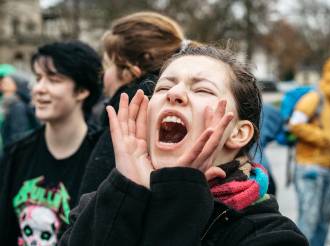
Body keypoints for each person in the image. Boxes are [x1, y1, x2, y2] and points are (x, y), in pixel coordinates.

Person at [60, 45, 308, 245]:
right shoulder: (96, 205)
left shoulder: (271, 235)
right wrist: (125, 191)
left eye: (202, 90)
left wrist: (178, 198)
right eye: (164, 86)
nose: (174, 93)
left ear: (239, 133)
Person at [0, 41, 102, 246]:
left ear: (82, 90)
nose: (39, 88)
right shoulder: (16, 154)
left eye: (53, 80)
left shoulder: (102, 158)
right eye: (38, 78)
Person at [78, 11, 191, 194]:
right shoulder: (180, 116)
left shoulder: (126, 128)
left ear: (131, 71)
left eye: (107, 66)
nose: (103, 76)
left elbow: (91, 211)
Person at [289, 57, 330, 246]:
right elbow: (295, 124)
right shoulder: (314, 98)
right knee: (309, 220)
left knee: (324, 221)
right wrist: (323, 138)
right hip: (310, 167)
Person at [1, 74, 39, 147]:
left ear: (16, 85)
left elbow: (19, 136)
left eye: (6, 83)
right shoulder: (9, 104)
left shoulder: (18, 107)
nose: (2, 86)